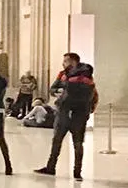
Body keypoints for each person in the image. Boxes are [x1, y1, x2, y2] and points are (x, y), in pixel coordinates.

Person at [34, 53, 98, 181]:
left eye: (65, 61)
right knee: (78, 142)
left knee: (57, 140)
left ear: (73, 62)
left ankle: (51, 167)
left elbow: (53, 89)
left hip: (65, 110)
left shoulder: (66, 75)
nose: (63, 63)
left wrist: (61, 91)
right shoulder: (87, 76)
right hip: (80, 113)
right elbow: (53, 89)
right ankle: (77, 172)